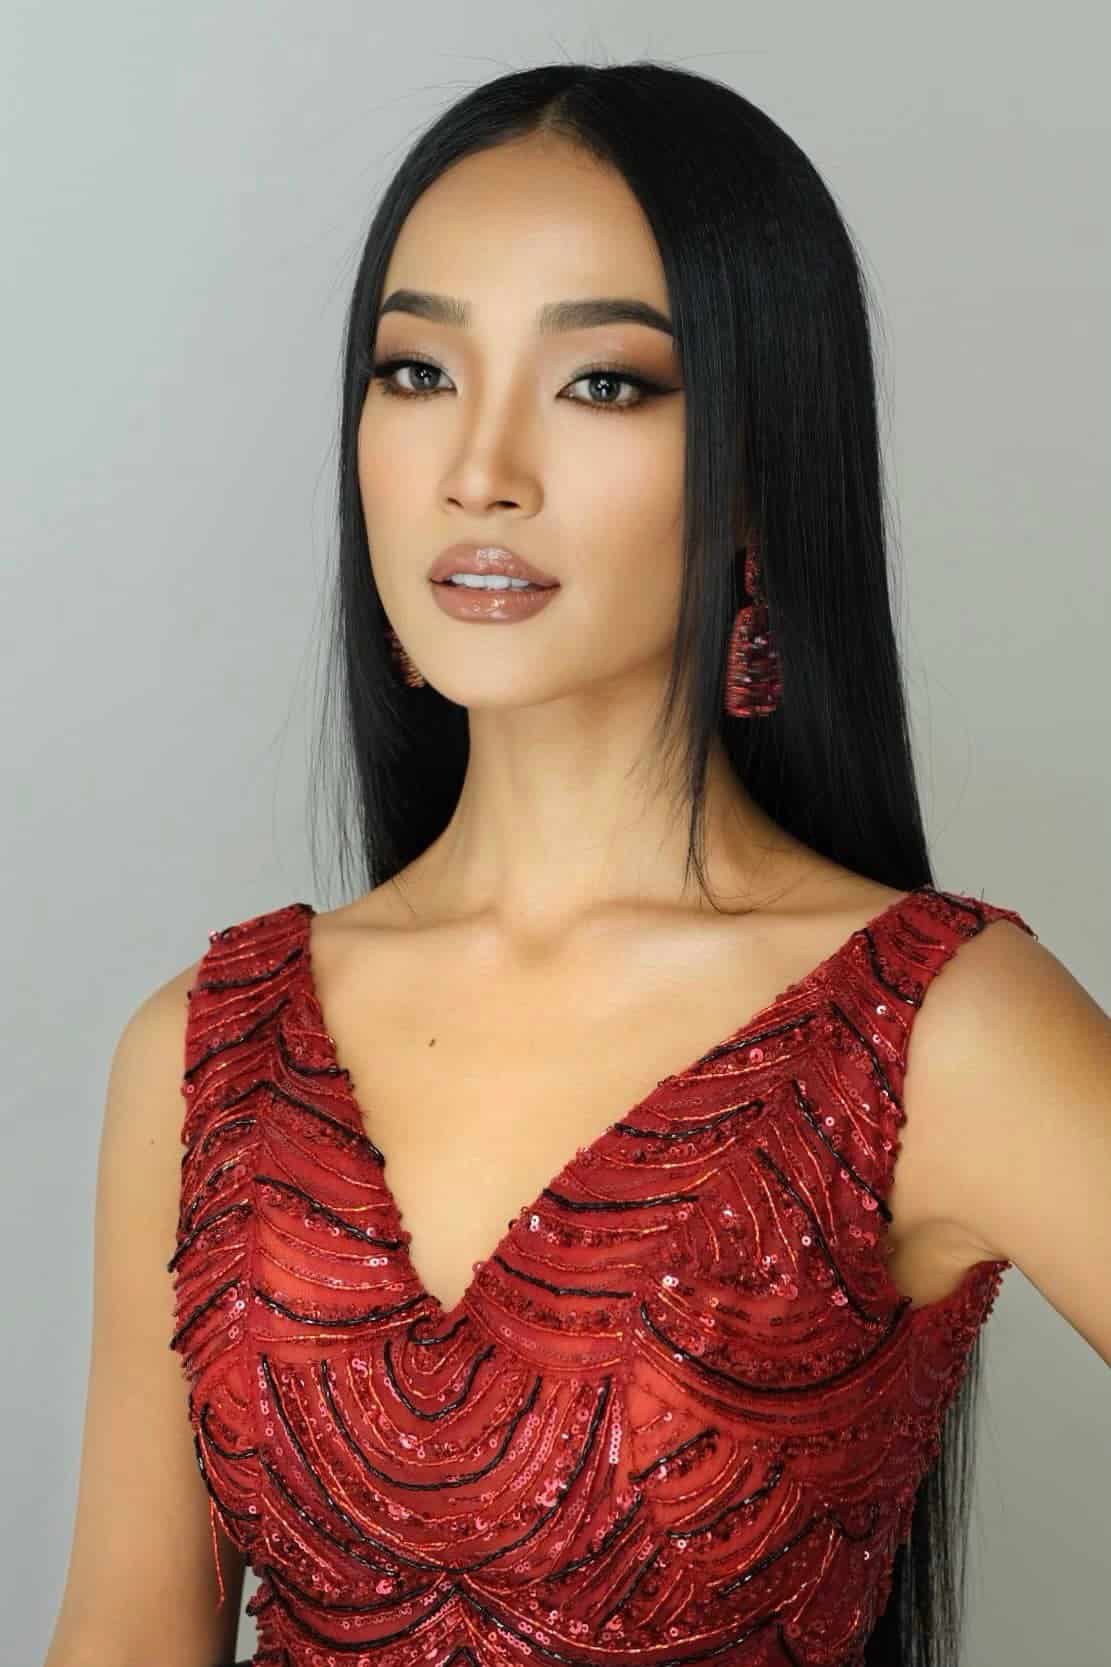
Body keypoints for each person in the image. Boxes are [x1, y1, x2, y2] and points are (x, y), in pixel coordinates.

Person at [44, 59, 1110, 1667]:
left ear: (759, 464)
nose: (479, 469)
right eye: (416, 372)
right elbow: (124, 1632)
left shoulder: (937, 1032)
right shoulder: (205, 1052)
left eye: (602, 384)